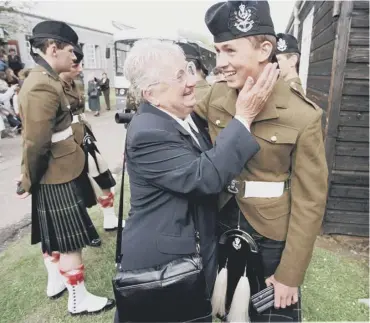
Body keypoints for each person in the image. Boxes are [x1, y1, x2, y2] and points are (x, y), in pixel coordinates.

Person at [114, 39, 279, 323]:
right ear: (151, 94)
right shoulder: (147, 132)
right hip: (165, 263)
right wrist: (244, 116)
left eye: (188, 69)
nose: (192, 81)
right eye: (179, 77)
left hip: (192, 251)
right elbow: (205, 178)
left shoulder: (181, 116)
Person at [194, 1, 328, 322]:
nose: (220, 63)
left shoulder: (302, 115)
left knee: (267, 316)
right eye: (217, 52)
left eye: (229, 51)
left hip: (270, 237)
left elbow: (310, 202)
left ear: (264, 48)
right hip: (221, 222)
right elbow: (175, 122)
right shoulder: (215, 96)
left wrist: (290, 273)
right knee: (221, 309)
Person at [17, 20, 115, 315]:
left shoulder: (48, 80)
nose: (75, 57)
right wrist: (27, 179)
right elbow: (35, 143)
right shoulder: (41, 86)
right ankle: (78, 299)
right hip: (55, 173)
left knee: (60, 238)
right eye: (71, 51)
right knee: (69, 240)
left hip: (61, 168)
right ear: (53, 48)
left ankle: (66, 289)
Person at [59, 47, 123, 232]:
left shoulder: (74, 84)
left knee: (102, 177)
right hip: (68, 142)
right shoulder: (55, 86)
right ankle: (82, 229)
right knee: (76, 188)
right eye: (76, 65)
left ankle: (110, 218)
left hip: (84, 136)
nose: (80, 69)